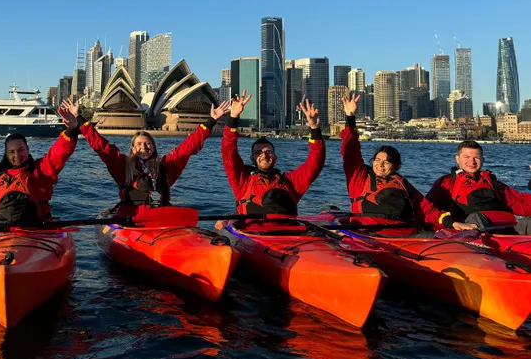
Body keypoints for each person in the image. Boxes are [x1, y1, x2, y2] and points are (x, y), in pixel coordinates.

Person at [65, 97, 232, 217]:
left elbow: (188, 147)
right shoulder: (122, 165)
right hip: (131, 220)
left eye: (148, 143)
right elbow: (100, 145)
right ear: (132, 148)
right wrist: (78, 118)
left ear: (154, 146)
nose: (144, 147)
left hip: (161, 218)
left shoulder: (166, 166)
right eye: (139, 144)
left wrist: (212, 120)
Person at [339, 94, 470, 234]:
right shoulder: (360, 179)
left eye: (386, 162)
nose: (380, 165)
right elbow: (350, 150)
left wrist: (453, 223)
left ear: (396, 166)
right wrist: (350, 117)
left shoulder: (402, 184)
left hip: (405, 235)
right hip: (369, 233)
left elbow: (427, 210)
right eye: (377, 160)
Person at [0, 98, 81, 224]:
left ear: (27, 149)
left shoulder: (41, 171)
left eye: (21, 150)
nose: (17, 155)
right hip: (1, 234)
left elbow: (59, 153)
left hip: (37, 231)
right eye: (12, 152)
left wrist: (71, 129)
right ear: (6, 153)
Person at [222, 92, 326, 216]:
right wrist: (233, 117)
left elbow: (315, 164)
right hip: (252, 232)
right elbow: (229, 152)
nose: (264, 155)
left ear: (275, 157)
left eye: (268, 152)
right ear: (253, 158)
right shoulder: (243, 180)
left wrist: (314, 129)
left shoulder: (291, 182)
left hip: (287, 232)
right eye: (258, 152)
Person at [426, 140, 531, 234]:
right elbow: (429, 211)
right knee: (476, 217)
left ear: (482, 160)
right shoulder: (446, 182)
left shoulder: (494, 184)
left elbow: (525, 208)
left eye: (477, 158)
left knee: (529, 222)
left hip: (502, 232)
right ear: (457, 159)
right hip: (469, 233)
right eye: (466, 157)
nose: (472, 162)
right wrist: (449, 223)